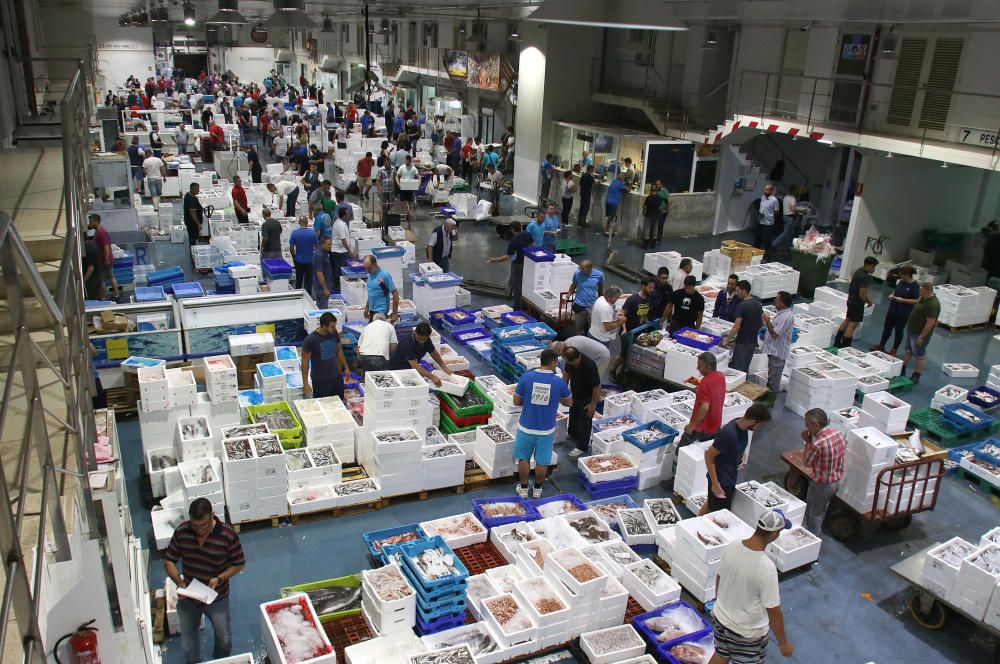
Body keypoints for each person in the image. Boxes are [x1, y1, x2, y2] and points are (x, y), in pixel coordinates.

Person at [164, 497, 245, 664]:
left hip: (216, 596)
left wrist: (219, 578)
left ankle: (219, 661)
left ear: (212, 516)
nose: (199, 530)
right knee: (187, 641)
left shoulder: (227, 535)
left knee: (224, 638)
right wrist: (180, 583)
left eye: (203, 526)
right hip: (189, 597)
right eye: (195, 526)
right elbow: (169, 560)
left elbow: (239, 564)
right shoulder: (182, 531)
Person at [711, 509, 794, 664]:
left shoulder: (733, 546)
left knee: (721, 655)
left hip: (720, 618)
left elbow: (719, 578)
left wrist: (720, 604)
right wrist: (783, 642)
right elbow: (774, 610)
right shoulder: (766, 568)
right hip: (745, 632)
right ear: (773, 534)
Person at [513, 349, 572, 499]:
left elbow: (516, 401)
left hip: (526, 427)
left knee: (523, 458)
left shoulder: (527, 377)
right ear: (553, 362)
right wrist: (555, 396)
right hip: (546, 430)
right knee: (542, 461)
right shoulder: (558, 382)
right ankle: (538, 489)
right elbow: (569, 402)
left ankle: (524, 488)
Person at [704, 404, 772, 513]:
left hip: (729, 476)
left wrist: (741, 454)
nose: (759, 429)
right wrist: (715, 484)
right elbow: (709, 455)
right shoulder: (728, 433)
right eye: (760, 426)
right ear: (753, 422)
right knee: (717, 513)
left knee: (711, 504)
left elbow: (735, 444)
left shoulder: (742, 426)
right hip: (721, 480)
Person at [801, 408, 846, 535]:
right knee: (820, 508)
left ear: (816, 425)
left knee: (814, 515)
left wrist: (808, 442)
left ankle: (812, 541)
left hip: (822, 485)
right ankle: (807, 531)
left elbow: (806, 463)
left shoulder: (819, 444)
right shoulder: (838, 433)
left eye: (807, 425)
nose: (806, 428)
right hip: (836, 481)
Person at [679, 352, 726, 447]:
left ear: (708, 366)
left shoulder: (704, 384)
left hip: (701, 428)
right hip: (715, 425)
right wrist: (694, 381)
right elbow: (712, 387)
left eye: (700, 366)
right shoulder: (721, 376)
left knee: (681, 452)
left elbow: (705, 407)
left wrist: (692, 426)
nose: (697, 368)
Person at [562, 346, 602, 458]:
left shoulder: (589, 366)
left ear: (578, 357)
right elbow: (566, 374)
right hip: (575, 394)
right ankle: (572, 435)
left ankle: (582, 446)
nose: (571, 364)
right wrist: (563, 392)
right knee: (573, 415)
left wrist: (593, 404)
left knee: (585, 421)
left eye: (572, 362)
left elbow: (597, 386)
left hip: (588, 397)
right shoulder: (570, 362)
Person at [301, 311, 350, 399]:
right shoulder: (311, 340)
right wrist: (305, 383)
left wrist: (346, 367)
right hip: (320, 381)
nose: (335, 328)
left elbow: (339, 351)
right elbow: (305, 362)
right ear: (323, 326)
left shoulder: (334, 333)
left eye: (335, 325)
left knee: (340, 403)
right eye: (332, 326)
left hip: (336, 377)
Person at [872, 265, 919, 355]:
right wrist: (892, 295)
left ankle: (894, 349)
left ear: (907, 275)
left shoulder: (914, 286)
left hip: (903, 313)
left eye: (902, 275)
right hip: (892, 309)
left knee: (898, 331)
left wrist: (902, 300)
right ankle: (881, 345)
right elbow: (896, 290)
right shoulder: (901, 282)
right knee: (887, 328)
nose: (900, 277)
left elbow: (916, 300)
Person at [486, 221, 533, 310]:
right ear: (521, 227)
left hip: (518, 265)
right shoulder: (527, 234)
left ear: (511, 229)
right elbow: (532, 244)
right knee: (524, 283)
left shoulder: (513, 241)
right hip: (527, 263)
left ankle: (517, 308)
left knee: (517, 287)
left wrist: (494, 260)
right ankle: (525, 304)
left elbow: (507, 257)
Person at [388, 322, 452, 385]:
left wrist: (444, 367)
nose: (421, 341)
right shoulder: (407, 344)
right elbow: (415, 366)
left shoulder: (427, 340)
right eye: (419, 338)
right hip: (398, 369)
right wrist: (432, 376)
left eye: (424, 339)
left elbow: (434, 353)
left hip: (410, 368)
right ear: (415, 332)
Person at [900, 281, 940, 384]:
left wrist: (922, 336)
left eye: (920, 290)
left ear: (926, 291)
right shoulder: (923, 298)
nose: (919, 292)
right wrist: (902, 300)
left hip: (919, 334)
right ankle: (902, 369)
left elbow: (930, 322)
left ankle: (916, 375)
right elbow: (916, 302)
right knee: (908, 351)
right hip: (911, 330)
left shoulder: (933, 304)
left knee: (919, 354)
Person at [834, 256, 878, 349]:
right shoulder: (865, 277)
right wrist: (869, 302)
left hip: (850, 300)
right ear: (869, 265)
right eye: (873, 267)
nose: (874, 269)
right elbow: (862, 294)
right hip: (857, 303)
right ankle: (844, 347)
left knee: (847, 320)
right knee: (852, 325)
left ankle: (837, 342)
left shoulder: (858, 270)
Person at [721, 281, 762, 375]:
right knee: (745, 366)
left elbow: (736, 326)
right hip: (753, 342)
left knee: (738, 368)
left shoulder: (741, 306)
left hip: (743, 342)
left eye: (738, 291)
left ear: (744, 291)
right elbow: (761, 322)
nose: (736, 293)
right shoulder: (758, 304)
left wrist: (728, 340)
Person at [761, 291, 794, 399]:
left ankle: (770, 402)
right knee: (772, 376)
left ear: (783, 303)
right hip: (773, 350)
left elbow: (775, 334)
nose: (774, 300)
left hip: (778, 352)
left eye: (777, 299)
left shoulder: (786, 317)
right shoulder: (782, 314)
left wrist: (767, 322)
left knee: (774, 379)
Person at [590, 286, 626, 377]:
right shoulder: (606, 308)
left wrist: (615, 314)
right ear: (610, 297)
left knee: (592, 358)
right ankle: (596, 380)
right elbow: (608, 327)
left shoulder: (601, 298)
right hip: (601, 338)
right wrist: (620, 322)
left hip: (593, 333)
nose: (617, 300)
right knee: (600, 362)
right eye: (616, 298)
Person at [566, 260, 604, 337]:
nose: (582, 270)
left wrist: (601, 302)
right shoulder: (577, 274)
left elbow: (600, 288)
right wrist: (568, 296)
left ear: (590, 267)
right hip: (579, 305)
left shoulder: (599, 275)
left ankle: (590, 342)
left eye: (584, 269)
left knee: (592, 328)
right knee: (579, 328)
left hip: (591, 305)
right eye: (581, 268)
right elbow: (573, 285)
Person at [88, 214, 117, 300]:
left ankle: (102, 298)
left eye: (91, 222)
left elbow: (106, 246)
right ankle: (116, 294)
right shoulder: (98, 231)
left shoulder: (101, 233)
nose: (90, 224)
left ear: (96, 222)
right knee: (111, 277)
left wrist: (106, 259)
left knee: (102, 280)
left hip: (105, 260)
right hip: (104, 259)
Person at [363, 254, 399, 322]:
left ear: (375, 264)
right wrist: (367, 307)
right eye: (366, 268)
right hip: (372, 310)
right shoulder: (370, 274)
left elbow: (395, 293)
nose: (367, 270)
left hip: (380, 311)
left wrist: (394, 313)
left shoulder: (384, 276)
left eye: (369, 268)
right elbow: (371, 292)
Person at [288, 216, 316, 292]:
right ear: (307, 223)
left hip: (298, 260)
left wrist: (294, 256)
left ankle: (298, 295)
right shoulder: (312, 233)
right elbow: (317, 246)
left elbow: (291, 248)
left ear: (299, 223)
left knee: (299, 279)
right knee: (309, 281)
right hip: (309, 260)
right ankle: (308, 295)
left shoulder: (294, 233)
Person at [330, 207, 352, 294]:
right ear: (344, 215)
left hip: (338, 250)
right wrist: (349, 250)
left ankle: (337, 286)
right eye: (347, 214)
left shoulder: (338, 222)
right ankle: (337, 287)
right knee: (339, 270)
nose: (349, 215)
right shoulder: (341, 225)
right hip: (340, 251)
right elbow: (343, 240)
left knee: (338, 269)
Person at [755, 182, 782, 251]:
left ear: (771, 191)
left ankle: (767, 256)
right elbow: (761, 208)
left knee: (766, 240)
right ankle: (755, 252)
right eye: (764, 190)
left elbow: (776, 212)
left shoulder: (774, 200)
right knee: (758, 238)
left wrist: (770, 216)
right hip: (761, 221)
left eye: (767, 190)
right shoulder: (763, 197)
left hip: (768, 223)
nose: (765, 191)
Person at [395, 155, 419, 225]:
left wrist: (418, 184)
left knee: (410, 202)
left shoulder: (413, 168)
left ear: (410, 161)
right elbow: (397, 176)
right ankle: (403, 215)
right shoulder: (402, 167)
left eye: (408, 161)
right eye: (406, 161)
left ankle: (409, 215)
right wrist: (398, 183)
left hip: (410, 187)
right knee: (403, 202)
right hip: (403, 187)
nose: (407, 162)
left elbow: (418, 176)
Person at [312, 236, 334, 307]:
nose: (330, 246)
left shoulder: (324, 252)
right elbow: (319, 273)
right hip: (321, 288)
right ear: (322, 244)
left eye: (331, 244)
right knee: (323, 306)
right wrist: (325, 289)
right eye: (328, 244)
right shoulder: (319, 255)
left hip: (325, 286)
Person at [82, 229, 103, 301]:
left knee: (92, 300)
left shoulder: (88, 249)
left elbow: (91, 268)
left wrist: (83, 281)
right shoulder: (92, 244)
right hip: (97, 277)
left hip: (92, 281)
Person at [642, 184, 660, 248]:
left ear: (651, 190)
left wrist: (643, 213)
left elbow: (644, 206)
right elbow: (660, 206)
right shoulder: (659, 197)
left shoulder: (648, 198)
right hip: (656, 215)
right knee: (655, 229)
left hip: (649, 215)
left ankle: (646, 245)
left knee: (647, 229)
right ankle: (653, 244)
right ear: (656, 190)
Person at [655, 179, 670, 245]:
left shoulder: (664, 191)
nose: (656, 186)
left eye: (658, 184)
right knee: (656, 224)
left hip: (662, 210)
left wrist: (666, 209)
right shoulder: (657, 191)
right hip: (657, 210)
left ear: (661, 184)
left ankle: (659, 239)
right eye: (656, 184)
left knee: (660, 225)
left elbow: (668, 201)